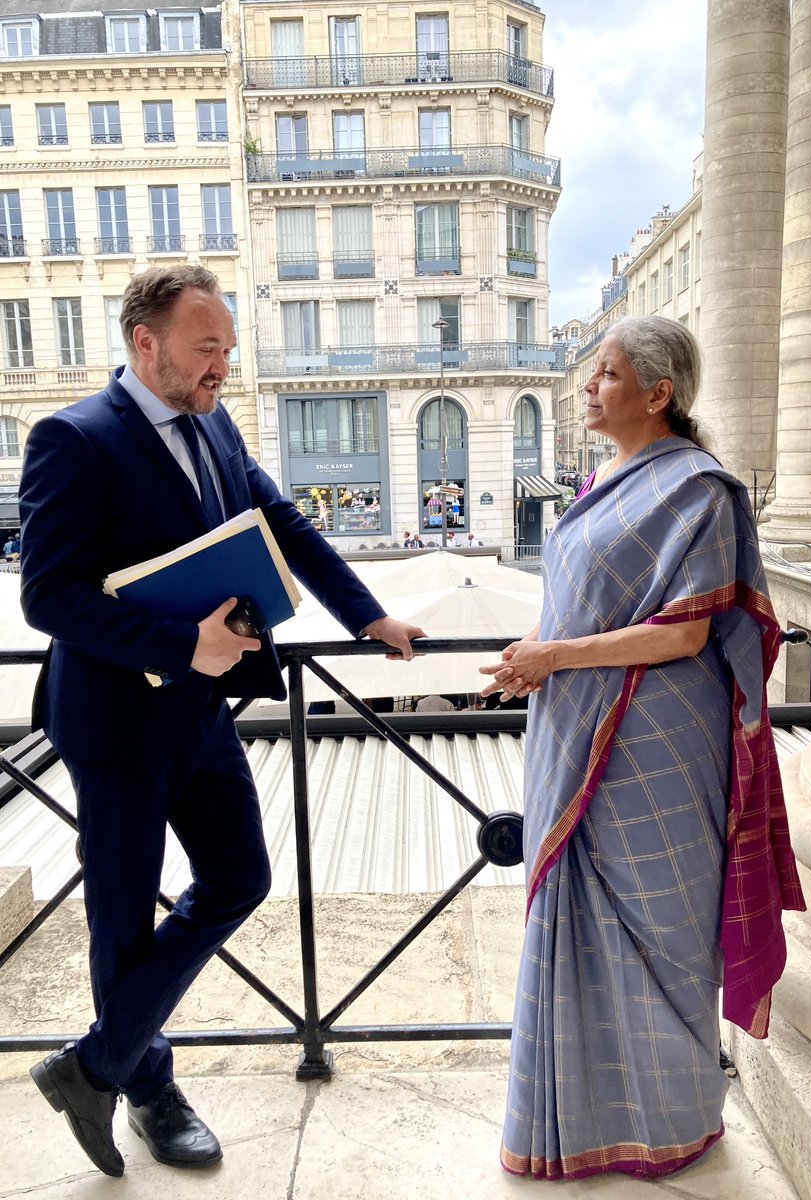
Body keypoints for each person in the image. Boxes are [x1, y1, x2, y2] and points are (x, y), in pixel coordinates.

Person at [19, 264, 425, 1178]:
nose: (223, 369)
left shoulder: (215, 422)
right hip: (114, 723)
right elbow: (47, 598)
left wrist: (368, 615)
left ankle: (94, 1065)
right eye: (209, 350)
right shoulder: (71, 439)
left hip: (201, 713)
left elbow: (281, 522)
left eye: (229, 351)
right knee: (120, 919)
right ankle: (149, 1091)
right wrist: (177, 642)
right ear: (145, 343)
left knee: (241, 875)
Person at [479, 316, 805, 1182]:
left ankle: (671, 1121)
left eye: (607, 373)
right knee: (582, 913)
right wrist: (533, 656)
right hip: (574, 717)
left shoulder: (699, 490)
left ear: (658, 394)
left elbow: (681, 637)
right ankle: (574, 1122)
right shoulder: (605, 479)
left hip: (657, 736)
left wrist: (556, 657)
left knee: (661, 927)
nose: (589, 387)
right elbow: (585, 604)